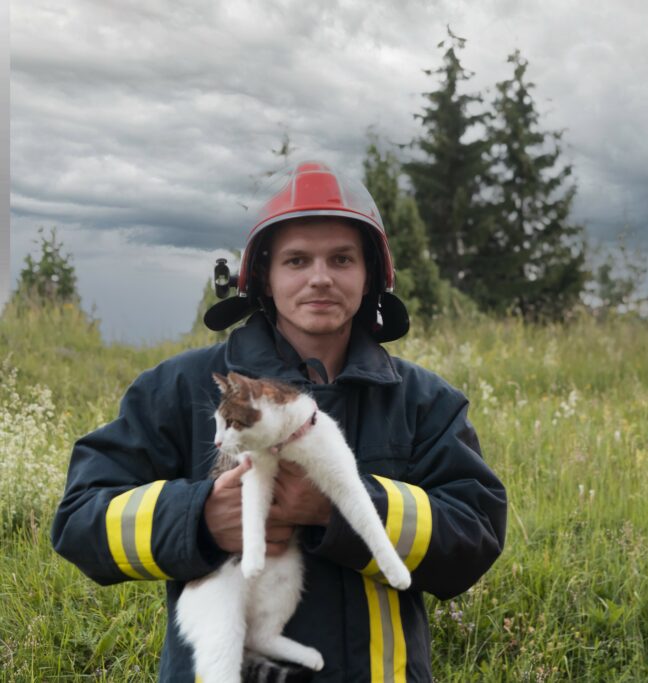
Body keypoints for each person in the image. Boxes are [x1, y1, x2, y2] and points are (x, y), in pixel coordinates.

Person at [51, 160, 507, 682]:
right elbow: (80, 520)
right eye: (296, 260)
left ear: (370, 275)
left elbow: (475, 537)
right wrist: (199, 516)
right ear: (262, 277)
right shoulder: (180, 387)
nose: (320, 277)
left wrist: (337, 508)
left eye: (341, 258)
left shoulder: (425, 402)